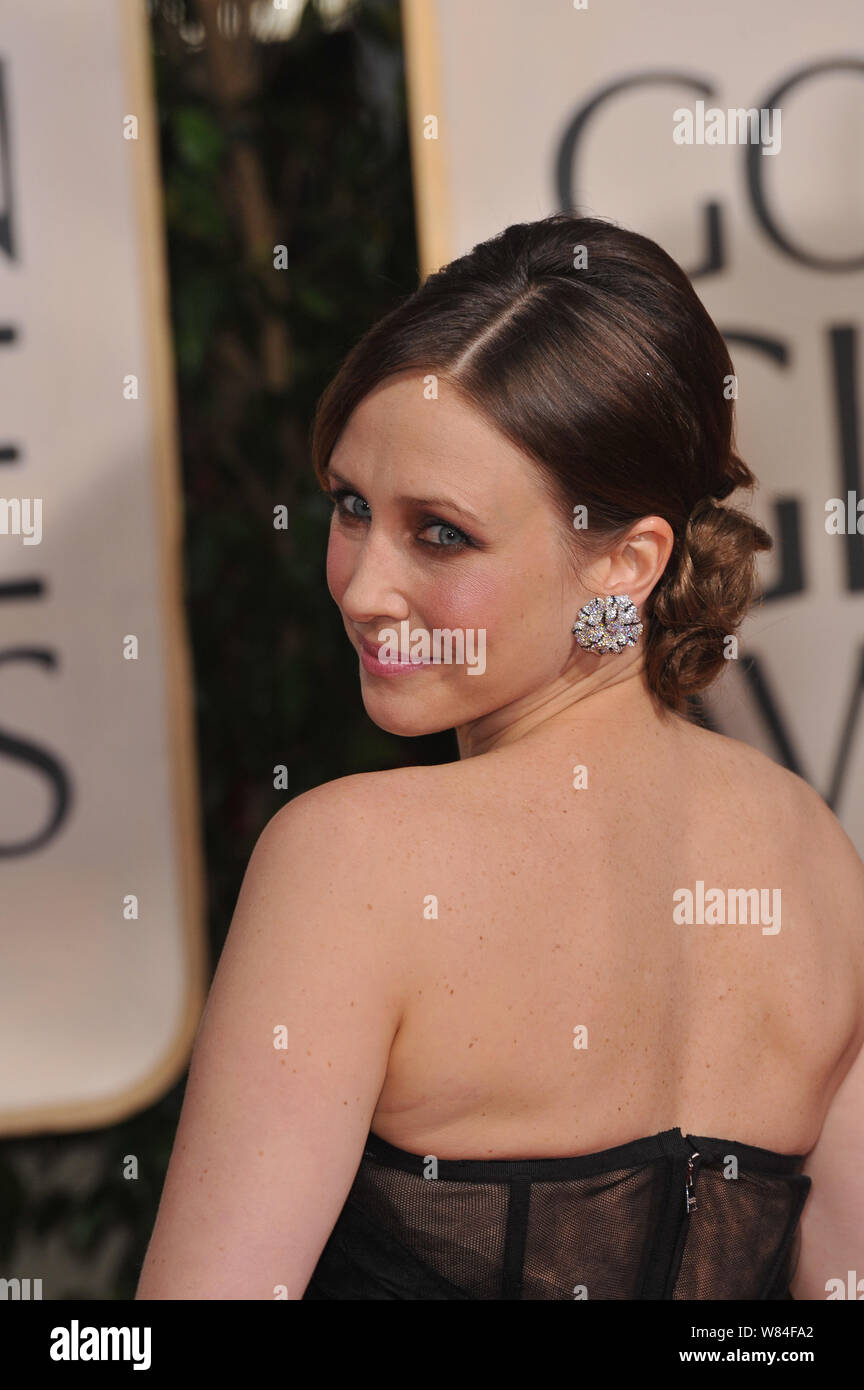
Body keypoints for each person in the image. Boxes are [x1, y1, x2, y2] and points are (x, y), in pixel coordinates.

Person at [135, 214, 864, 1300]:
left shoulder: (351, 862)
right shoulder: (809, 850)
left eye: (440, 532)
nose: (363, 587)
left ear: (626, 561)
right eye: (350, 506)